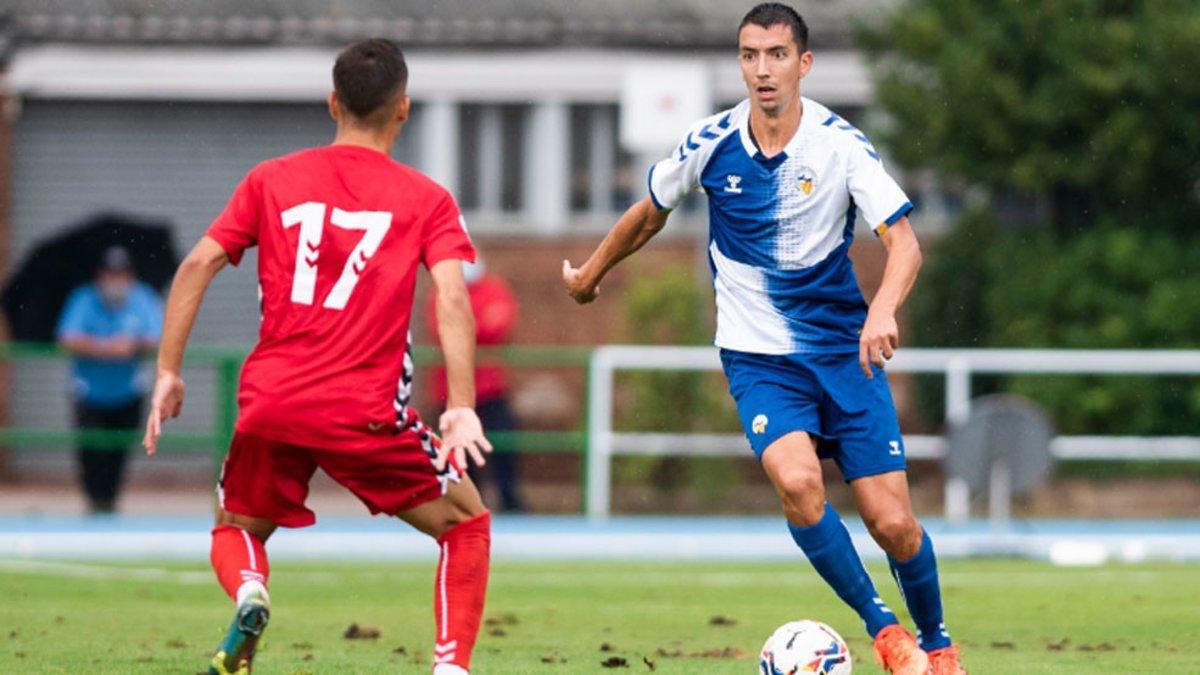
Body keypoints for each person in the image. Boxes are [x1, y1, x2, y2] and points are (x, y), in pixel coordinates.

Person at [563, 4, 964, 674]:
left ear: (803, 64)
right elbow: (648, 214)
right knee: (799, 482)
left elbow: (905, 243)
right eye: (750, 55)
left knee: (893, 523)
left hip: (844, 353)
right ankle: (886, 631)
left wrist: (884, 308)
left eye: (776, 54)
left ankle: (941, 644)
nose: (762, 69)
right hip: (759, 361)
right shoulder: (711, 142)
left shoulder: (841, 146)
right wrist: (589, 276)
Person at [142, 39, 493, 675]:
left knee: (238, 527)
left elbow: (197, 264)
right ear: (403, 111)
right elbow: (450, 297)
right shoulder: (426, 198)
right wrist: (461, 406)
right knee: (465, 525)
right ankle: (450, 668)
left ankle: (251, 591)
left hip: (273, 402)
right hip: (363, 410)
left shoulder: (270, 179)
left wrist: (168, 371)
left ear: (333, 103)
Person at [57, 245, 162, 514]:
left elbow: (155, 338)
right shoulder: (83, 298)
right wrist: (105, 348)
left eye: (121, 273)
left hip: (128, 391)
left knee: (119, 452)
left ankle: (110, 503)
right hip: (89, 392)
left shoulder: (142, 298)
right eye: (110, 274)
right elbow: (68, 337)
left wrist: (131, 346)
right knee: (91, 452)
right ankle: (95, 503)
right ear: (100, 276)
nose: (116, 280)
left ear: (130, 276)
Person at [427, 258, 524, 512]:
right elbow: (441, 328)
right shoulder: (441, 290)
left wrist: (462, 326)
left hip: (491, 390)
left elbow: (500, 323)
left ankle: (509, 502)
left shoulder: (493, 288)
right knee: (459, 459)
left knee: (502, 447)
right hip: (451, 394)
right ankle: (467, 505)